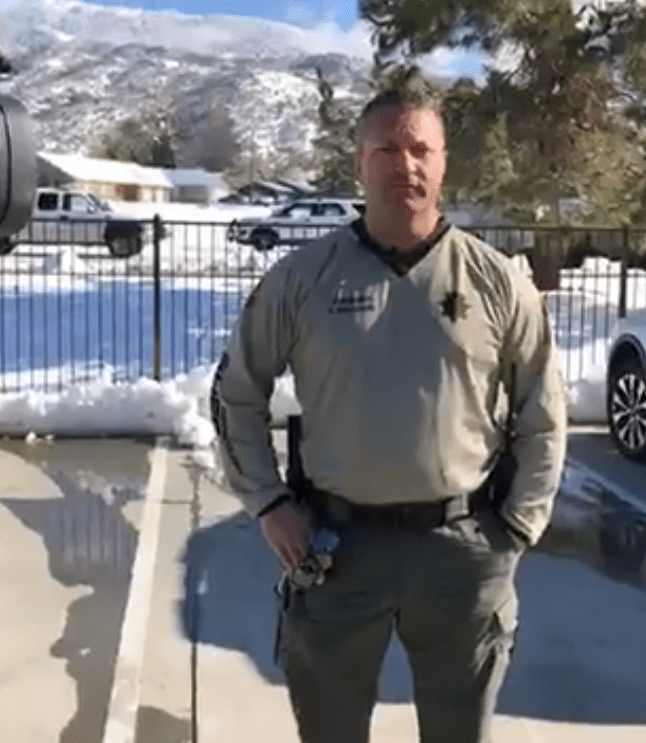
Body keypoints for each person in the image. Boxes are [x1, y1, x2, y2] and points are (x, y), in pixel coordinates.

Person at [210, 78, 568, 743]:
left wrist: (516, 528)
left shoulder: (497, 280)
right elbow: (234, 391)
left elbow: (544, 409)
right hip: (335, 548)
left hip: (463, 552)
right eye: (385, 149)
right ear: (358, 163)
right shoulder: (302, 278)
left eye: (419, 148)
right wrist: (267, 501)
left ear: (443, 161)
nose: (404, 164)